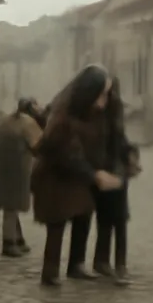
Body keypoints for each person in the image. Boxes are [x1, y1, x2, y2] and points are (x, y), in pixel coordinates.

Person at [31, 65, 122, 286]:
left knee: (83, 213)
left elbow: (102, 144)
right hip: (56, 175)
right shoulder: (63, 117)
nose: (104, 100)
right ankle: (50, 270)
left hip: (79, 176)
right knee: (58, 220)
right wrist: (94, 175)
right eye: (101, 94)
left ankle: (76, 264)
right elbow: (67, 154)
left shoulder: (96, 114)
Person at [92, 78, 140, 284]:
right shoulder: (97, 115)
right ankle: (104, 261)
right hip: (104, 169)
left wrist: (130, 153)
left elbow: (120, 139)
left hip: (116, 169)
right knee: (108, 217)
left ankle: (119, 263)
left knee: (119, 218)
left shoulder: (114, 112)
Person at [0, 98, 45, 257]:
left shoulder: (9, 120)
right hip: (16, 167)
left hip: (2, 166)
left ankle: (18, 238)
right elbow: (38, 146)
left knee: (11, 205)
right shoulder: (28, 123)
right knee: (12, 206)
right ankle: (9, 243)